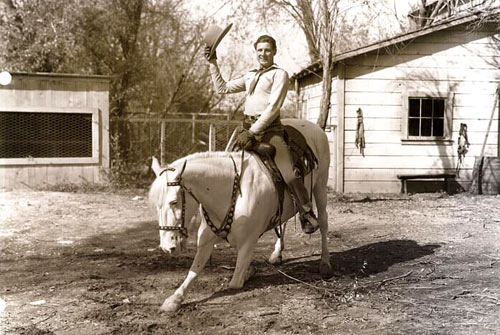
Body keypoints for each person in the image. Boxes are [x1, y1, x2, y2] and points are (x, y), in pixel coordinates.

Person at [204, 34, 318, 234]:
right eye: (260, 50)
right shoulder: (250, 75)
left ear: (274, 52)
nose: (263, 54)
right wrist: (213, 63)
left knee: (289, 175)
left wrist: (253, 131)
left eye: (267, 50)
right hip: (246, 127)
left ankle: (307, 213)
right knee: (223, 167)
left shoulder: (279, 74)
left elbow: (273, 108)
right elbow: (221, 88)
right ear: (255, 52)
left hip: (269, 131)